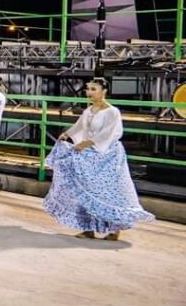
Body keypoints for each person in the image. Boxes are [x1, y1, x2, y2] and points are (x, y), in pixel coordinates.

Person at [43, 78, 154, 240]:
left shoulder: (112, 112)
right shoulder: (89, 110)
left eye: (93, 89)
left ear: (104, 91)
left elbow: (111, 133)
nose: (89, 93)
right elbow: (80, 125)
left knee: (107, 192)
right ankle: (88, 228)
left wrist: (87, 143)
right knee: (85, 189)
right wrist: (67, 134)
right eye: (88, 89)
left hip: (108, 156)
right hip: (89, 153)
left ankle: (114, 230)